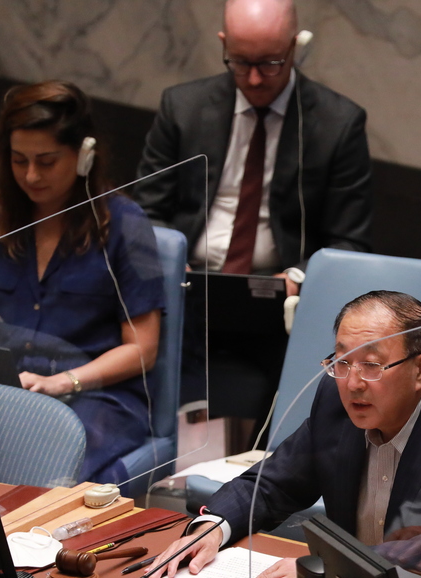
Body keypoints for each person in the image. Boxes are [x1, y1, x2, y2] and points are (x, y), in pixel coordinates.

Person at [148, 291, 421, 578]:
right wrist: (213, 527)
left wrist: (337, 565)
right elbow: (272, 484)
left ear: (420, 369)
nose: (352, 382)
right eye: (342, 361)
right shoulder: (337, 402)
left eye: (371, 365)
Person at [133, 0, 372, 448]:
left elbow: (350, 240)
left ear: (297, 47)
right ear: (224, 46)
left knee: (287, 384)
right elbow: (146, 212)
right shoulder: (182, 106)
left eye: (271, 63)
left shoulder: (339, 124)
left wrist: (300, 276)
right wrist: (166, 262)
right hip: (186, 286)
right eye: (241, 63)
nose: (257, 78)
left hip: (276, 297)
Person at [0, 81, 164, 485]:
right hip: (9, 392)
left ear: (84, 156)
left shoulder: (126, 225)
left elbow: (142, 349)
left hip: (99, 398)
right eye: (19, 160)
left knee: (41, 457)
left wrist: (62, 382)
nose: (31, 175)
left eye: (47, 162)